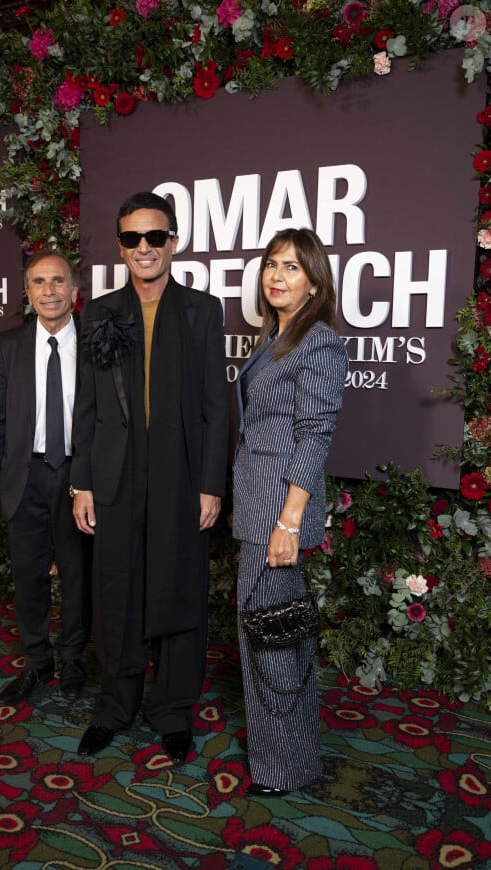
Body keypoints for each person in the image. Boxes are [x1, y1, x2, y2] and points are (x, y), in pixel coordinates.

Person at [70, 191, 228, 762]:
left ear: (173, 243)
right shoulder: (100, 313)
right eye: (133, 238)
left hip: (182, 475)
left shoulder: (203, 311)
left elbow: (216, 404)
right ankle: (115, 706)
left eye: (154, 237)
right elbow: (86, 405)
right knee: (116, 593)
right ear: (121, 246)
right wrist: (81, 482)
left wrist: (212, 484)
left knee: (178, 590)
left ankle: (172, 710)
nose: (144, 248)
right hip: (113, 476)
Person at [232, 228, 348, 796]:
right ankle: (286, 760)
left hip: (276, 513)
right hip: (259, 508)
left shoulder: (318, 342)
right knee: (272, 637)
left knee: (271, 641)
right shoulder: (275, 339)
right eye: (272, 264)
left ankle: (283, 770)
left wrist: (288, 521)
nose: (277, 276)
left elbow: (313, 435)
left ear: (314, 282)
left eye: (293, 267)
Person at [0, 250, 92, 705]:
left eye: (58, 281)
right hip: (23, 478)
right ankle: (38, 662)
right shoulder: (9, 345)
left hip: (76, 479)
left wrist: (91, 481)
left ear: (74, 292)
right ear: (27, 293)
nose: (49, 290)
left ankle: (74, 662)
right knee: (29, 577)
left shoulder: (92, 342)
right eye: (39, 282)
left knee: (78, 576)